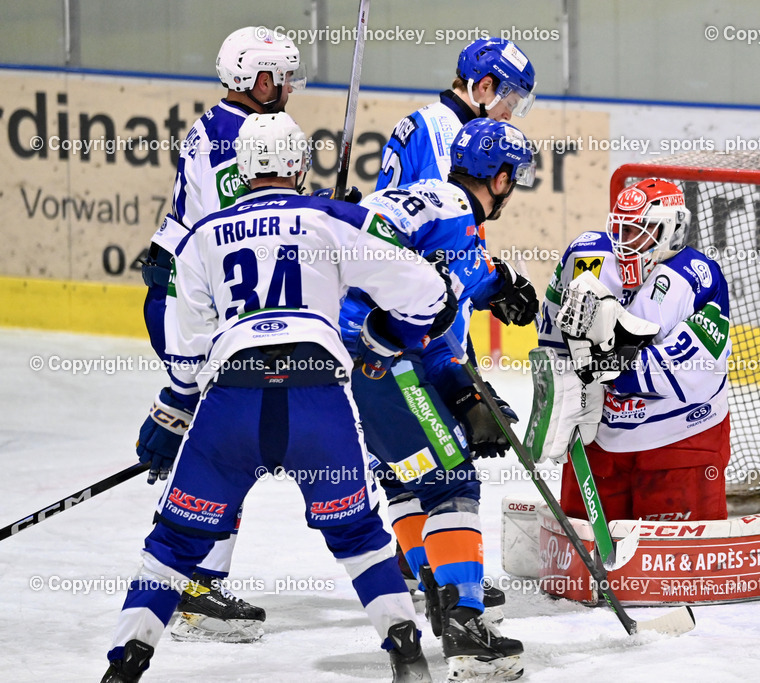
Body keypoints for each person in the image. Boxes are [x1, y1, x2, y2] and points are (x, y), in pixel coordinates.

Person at [103, 112, 448, 682]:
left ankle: (124, 666)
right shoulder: (330, 216)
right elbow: (428, 293)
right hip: (317, 401)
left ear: (241, 168)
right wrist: (394, 338)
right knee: (358, 533)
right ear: (298, 164)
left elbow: (186, 358)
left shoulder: (203, 235)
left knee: (174, 542)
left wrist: (172, 417)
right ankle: (406, 653)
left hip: (231, 406)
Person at [339, 118, 539, 682]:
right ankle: (466, 629)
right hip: (385, 361)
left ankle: (437, 590)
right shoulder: (454, 214)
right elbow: (426, 314)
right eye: (512, 179)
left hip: (353, 361)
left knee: (407, 476)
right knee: (451, 482)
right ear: (498, 180)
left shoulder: (423, 202)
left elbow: (427, 307)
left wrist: (495, 288)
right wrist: (464, 385)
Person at [136, 25, 304, 641]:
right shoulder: (238, 137)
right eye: (280, 77)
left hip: (192, 296)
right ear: (255, 79)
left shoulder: (223, 124)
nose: (287, 87)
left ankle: (190, 579)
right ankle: (192, 586)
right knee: (228, 443)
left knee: (232, 440)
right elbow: (244, 227)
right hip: (195, 306)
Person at [534, 178, 732, 522]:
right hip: (600, 434)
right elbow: (551, 332)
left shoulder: (696, 278)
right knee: (578, 563)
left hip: (679, 439)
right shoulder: (586, 255)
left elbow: (693, 369)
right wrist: (564, 384)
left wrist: (607, 367)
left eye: (643, 230)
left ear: (673, 229)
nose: (627, 243)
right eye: (622, 230)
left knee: (672, 567)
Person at [376, 36, 535, 191]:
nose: (508, 116)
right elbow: (448, 214)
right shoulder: (452, 140)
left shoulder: (426, 117)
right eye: (510, 103)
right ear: (485, 86)